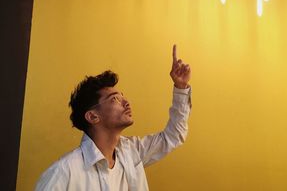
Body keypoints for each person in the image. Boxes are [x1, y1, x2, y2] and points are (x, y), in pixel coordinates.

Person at [35, 45, 191, 191]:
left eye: (122, 96)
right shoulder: (64, 173)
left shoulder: (131, 152)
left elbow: (173, 136)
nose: (126, 102)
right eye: (115, 99)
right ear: (93, 116)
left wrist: (181, 88)